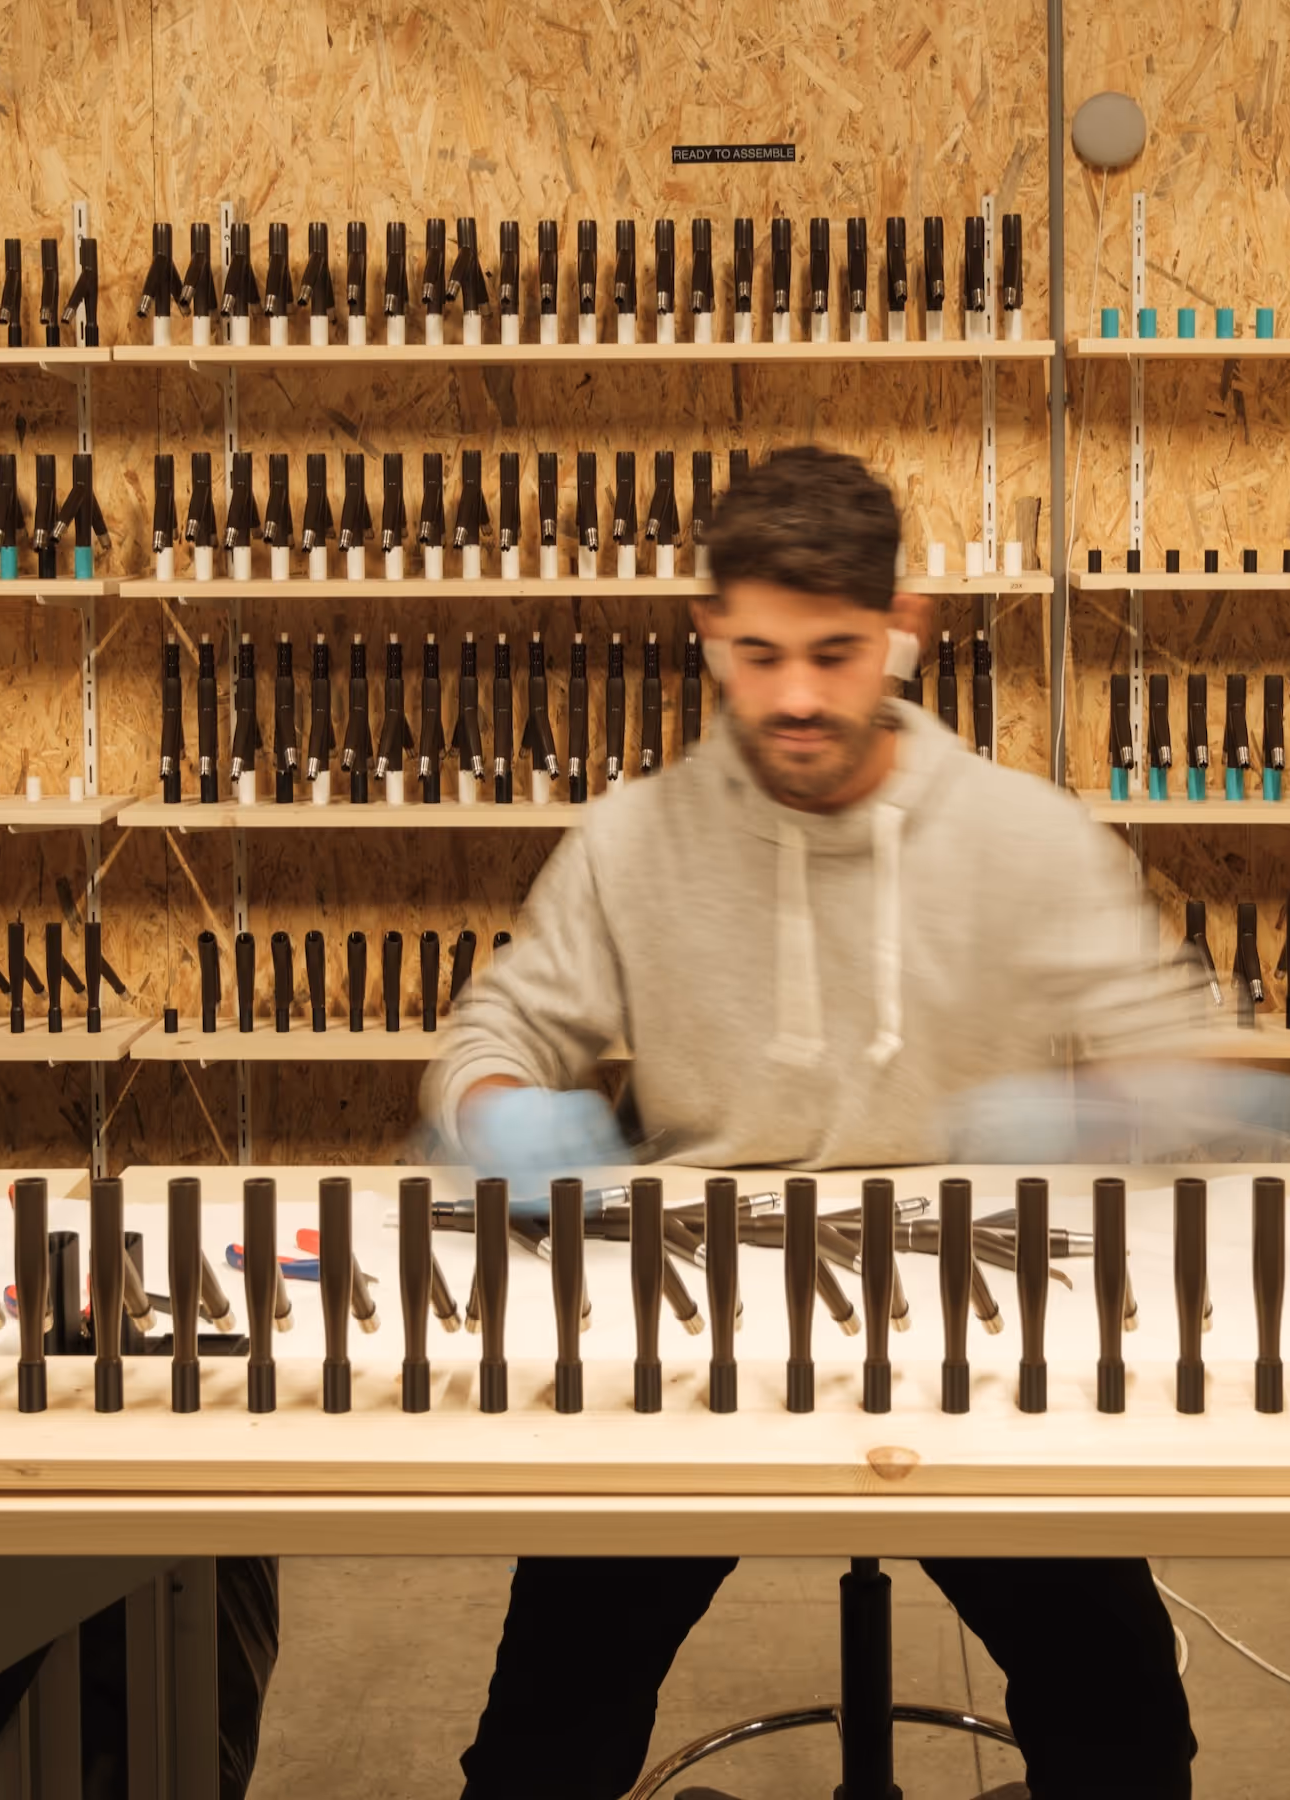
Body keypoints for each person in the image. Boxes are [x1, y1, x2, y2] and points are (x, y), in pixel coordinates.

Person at [425, 444, 1200, 1800]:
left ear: (906, 633)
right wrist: (501, 1110)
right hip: (691, 1331)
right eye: (759, 653)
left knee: (1127, 1726)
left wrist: (1106, 1108)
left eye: (835, 653)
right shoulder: (631, 837)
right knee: (539, 1746)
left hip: (981, 1329)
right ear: (708, 635)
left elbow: (1167, 1045)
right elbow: (499, 1035)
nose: (793, 697)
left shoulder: (1027, 834)